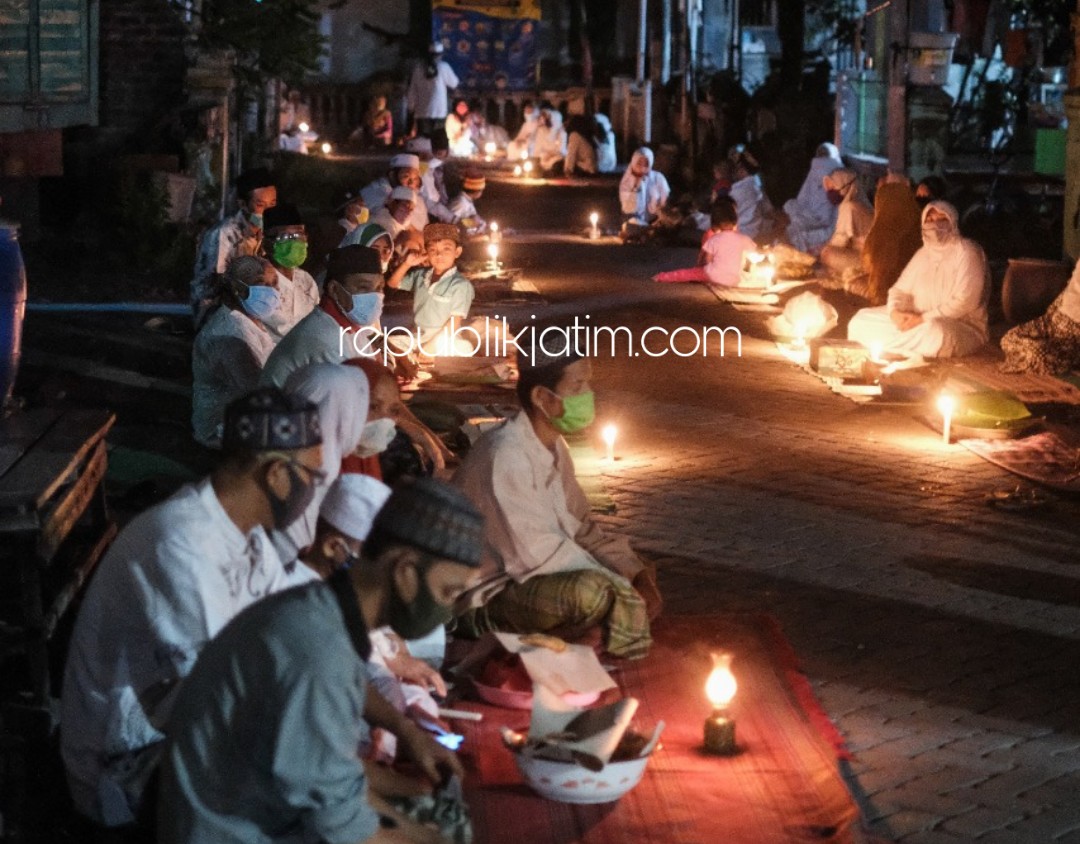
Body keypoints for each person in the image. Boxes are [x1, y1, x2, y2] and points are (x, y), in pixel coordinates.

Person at [157, 478, 482, 844]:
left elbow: (330, 775)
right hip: (231, 830)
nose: (448, 608)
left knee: (444, 817)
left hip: (248, 806)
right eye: (447, 591)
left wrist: (409, 744)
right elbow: (341, 827)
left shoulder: (320, 612)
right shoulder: (317, 649)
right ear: (405, 572)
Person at [61, 388, 324, 830]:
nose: (314, 491)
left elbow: (296, 620)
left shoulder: (249, 535)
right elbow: (228, 698)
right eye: (313, 477)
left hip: (187, 730)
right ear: (278, 473)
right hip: (126, 767)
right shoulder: (179, 544)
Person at [453, 347, 660, 659]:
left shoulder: (554, 446)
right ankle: (589, 634)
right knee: (591, 593)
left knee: (639, 570)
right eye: (577, 387)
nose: (588, 395)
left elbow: (582, 528)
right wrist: (619, 588)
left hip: (539, 573)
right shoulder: (505, 455)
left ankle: (592, 633)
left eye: (588, 384)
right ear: (541, 397)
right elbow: (535, 556)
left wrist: (632, 574)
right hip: (488, 594)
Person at [848, 200, 990, 358]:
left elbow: (967, 301)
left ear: (953, 221)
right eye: (929, 220)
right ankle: (904, 350)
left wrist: (922, 319)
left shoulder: (966, 251)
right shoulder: (923, 253)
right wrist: (895, 313)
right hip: (914, 320)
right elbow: (899, 290)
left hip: (958, 325)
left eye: (941, 219)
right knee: (860, 320)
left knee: (936, 333)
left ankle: (893, 349)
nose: (934, 225)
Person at [261, 246, 385, 388]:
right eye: (363, 287)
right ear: (334, 289)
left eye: (379, 287)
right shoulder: (325, 338)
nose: (375, 296)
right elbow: (358, 397)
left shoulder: (353, 330)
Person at [191, 256, 281, 447]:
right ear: (237, 288)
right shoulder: (230, 334)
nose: (273, 292)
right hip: (220, 430)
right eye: (261, 284)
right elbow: (257, 391)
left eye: (274, 284)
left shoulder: (248, 320)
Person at [190, 167, 276, 326]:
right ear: (243, 204)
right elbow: (217, 282)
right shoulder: (224, 234)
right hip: (216, 310)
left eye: (273, 204)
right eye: (260, 205)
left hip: (249, 303)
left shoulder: (267, 233)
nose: (269, 211)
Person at [389, 223, 475, 354]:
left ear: (457, 252)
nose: (439, 255)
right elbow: (392, 283)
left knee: (464, 348)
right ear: (426, 252)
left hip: (444, 341)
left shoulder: (461, 285)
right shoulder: (421, 275)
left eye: (446, 249)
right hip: (417, 338)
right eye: (433, 250)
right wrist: (407, 263)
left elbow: (454, 323)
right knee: (389, 343)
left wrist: (430, 347)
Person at [652, 197, 756, 286]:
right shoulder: (744, 239)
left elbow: (707, 260)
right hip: (736, 279)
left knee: (687, 274)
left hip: (712, 275)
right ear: (735, 221)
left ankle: (662, 277)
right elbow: (753, 255)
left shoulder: (714, 239)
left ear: (715, 222)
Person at [1001, 261, 1080, 374]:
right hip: (1056, 321)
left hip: (1074, 337)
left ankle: (1067, 360)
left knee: (1038, 354)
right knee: (1010, 338)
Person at [260, 203, 320, 341]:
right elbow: (280, 330)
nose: (294, 243)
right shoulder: (260, 280)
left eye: (299, 235)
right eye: (285, 237)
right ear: (266, 243)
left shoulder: (306, 280)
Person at [858, 179, 922, 304]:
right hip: (917, 298)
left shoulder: (879, 234)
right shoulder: (921, 228)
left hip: (890, 300)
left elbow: (871, 271)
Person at [783, 142, 844, 253]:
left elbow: (802, 200)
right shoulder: (839, 174)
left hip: (816, 226)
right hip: (824, 226)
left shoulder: (817, 170)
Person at [819, 169, 874, 276]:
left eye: (833, 187)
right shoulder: (855, 205)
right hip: (865, 255)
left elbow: (840, 240)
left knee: (828, 254)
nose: (830, 192)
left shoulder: (849, 207)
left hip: (869, 261)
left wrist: (823, 250)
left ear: (848, 187)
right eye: (829, 189)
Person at [360, 153, 429, 234]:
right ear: (392, 175)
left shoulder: (419, 200)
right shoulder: (374, 193)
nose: (411, 183)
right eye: (406, 177)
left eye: (415, 178)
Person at [407, 41, 459, 136]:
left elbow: (412, 90)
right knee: (438, 140)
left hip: (421, 112)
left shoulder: (418, 68)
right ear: (441, 54)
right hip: (439, 111)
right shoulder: (443, 67)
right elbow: (454, 83)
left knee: (423, 142)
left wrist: (410, 106)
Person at [728, 146, 776, 243]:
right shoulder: (755, 184)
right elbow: (768, 210)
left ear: (741, 169)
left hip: (741, 235)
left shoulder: (736, 190)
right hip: (757, 233)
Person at [618, 146, 671, 227]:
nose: (642, 166)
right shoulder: (626, 182)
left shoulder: (658, 178)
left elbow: (665, 200)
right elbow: (628, 208)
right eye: (639, 163)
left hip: (656, 220)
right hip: (634, 220)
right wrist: (636, 187)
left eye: (646, 163)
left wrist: (659, 211)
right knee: (633, 224)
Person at [448, 171, 487, 236]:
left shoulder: (467, 201)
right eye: (481, 190)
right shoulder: (460, 202)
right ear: (477, 191)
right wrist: (471, 222)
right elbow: (449, 223)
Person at [533, 107, 567, 175]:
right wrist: (543, 154)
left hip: (556, 157)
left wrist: (551, 154)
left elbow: (561, 150)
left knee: (557, 164)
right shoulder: (541, 130)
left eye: (546, 117)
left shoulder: (561, 132)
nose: (543, 120)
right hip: (544, 157)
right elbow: (538, 148)